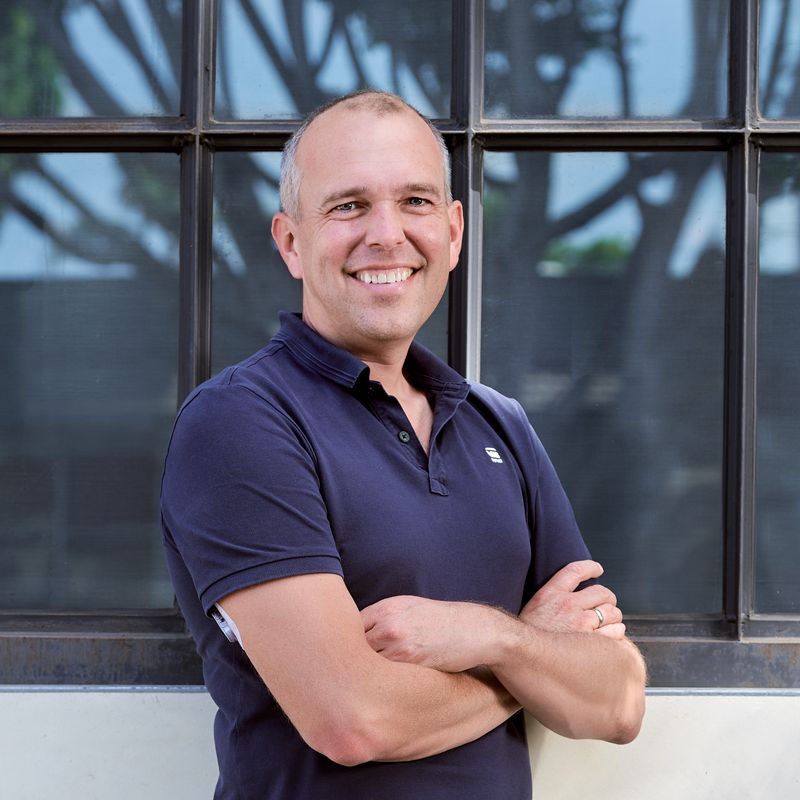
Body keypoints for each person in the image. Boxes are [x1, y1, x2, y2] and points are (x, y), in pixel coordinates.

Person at [160, 90, 646, 800]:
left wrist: (495, 637)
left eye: (415, 201)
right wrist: (528, 662)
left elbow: (617, 702)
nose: (386, 234)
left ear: (453, 232)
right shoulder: (241, 421)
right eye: (348, 206)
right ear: (291, 242)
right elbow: (353, 720)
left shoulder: (499, 423)